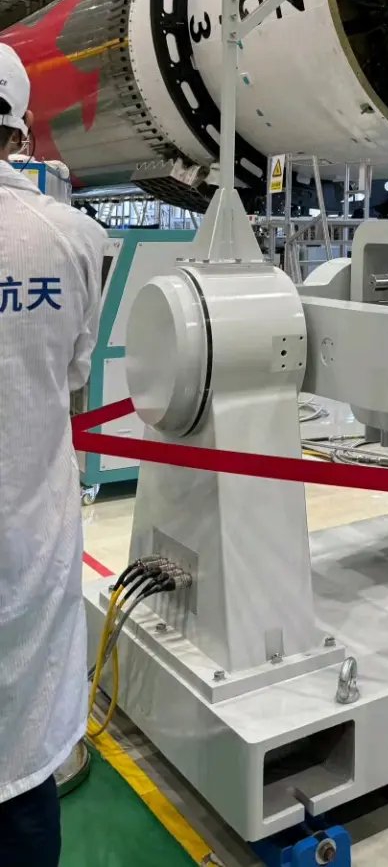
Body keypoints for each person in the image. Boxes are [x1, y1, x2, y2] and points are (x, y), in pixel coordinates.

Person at [0, 43, 106, 867]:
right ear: (24, 127)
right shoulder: (70, 239)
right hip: (27, 545)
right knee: (25, 764)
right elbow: (72, 375)